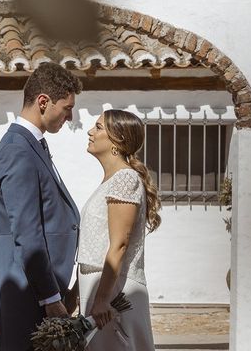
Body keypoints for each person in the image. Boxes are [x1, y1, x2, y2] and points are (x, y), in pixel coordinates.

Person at [0, 62, 83, 351]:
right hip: (28, 290)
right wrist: (50, 298)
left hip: (35, 285)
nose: (70, 116)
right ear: (43, 102)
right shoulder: (18, 149)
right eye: (67, 107)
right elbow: (27, 233)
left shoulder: (30, 145)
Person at [77, 109, 162, 350]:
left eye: (98, 127)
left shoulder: (125, 179)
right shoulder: (112, 180)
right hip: (99, 286)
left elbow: (119, 244)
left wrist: (102, 299)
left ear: (118, 140)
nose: (90, 132)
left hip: (114, 292)